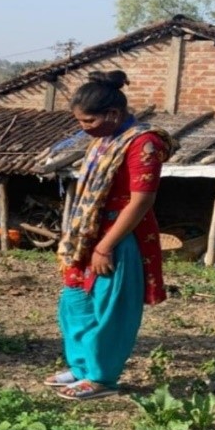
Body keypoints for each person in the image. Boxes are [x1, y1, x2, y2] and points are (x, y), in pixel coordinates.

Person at [47, 70, 175, 401]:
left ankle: (102, 377)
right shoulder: (104, 140)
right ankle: (81, 367)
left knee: (110, 306)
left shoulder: (143, 143)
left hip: (119, 235)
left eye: (88, 120)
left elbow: (142, 199)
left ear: (113, 114)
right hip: (89, 231)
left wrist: (106, 246)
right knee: (75, 300)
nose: (83, 127)